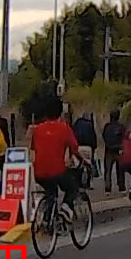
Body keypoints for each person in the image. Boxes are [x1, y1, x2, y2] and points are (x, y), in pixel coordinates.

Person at [27, 93, 88, 226]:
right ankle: (65, 209)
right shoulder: (64, 128)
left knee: (51, 193)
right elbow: (74, 148)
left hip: (39, 173)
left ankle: (47, 221)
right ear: (60, 112)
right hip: (57, 171)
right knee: (72, 188)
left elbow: (33, 148)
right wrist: (84, 161)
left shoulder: (38, 130)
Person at [101, 109, 126, 194]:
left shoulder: (107, 126)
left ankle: (108, 188)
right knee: (120, 169)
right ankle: (121, 186)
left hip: (109, 150)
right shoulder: (121, 126)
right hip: (119, 150)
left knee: (108, 170)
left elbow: (104, 136)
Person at [71, 107, 99, 183]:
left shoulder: (76, 125)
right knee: (89, 163)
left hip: (78, 147)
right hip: (88, 147)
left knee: (78, 164)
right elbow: (93, 137)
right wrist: (94, 147)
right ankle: (89, 181)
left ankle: (78, 180)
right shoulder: (89, 125)